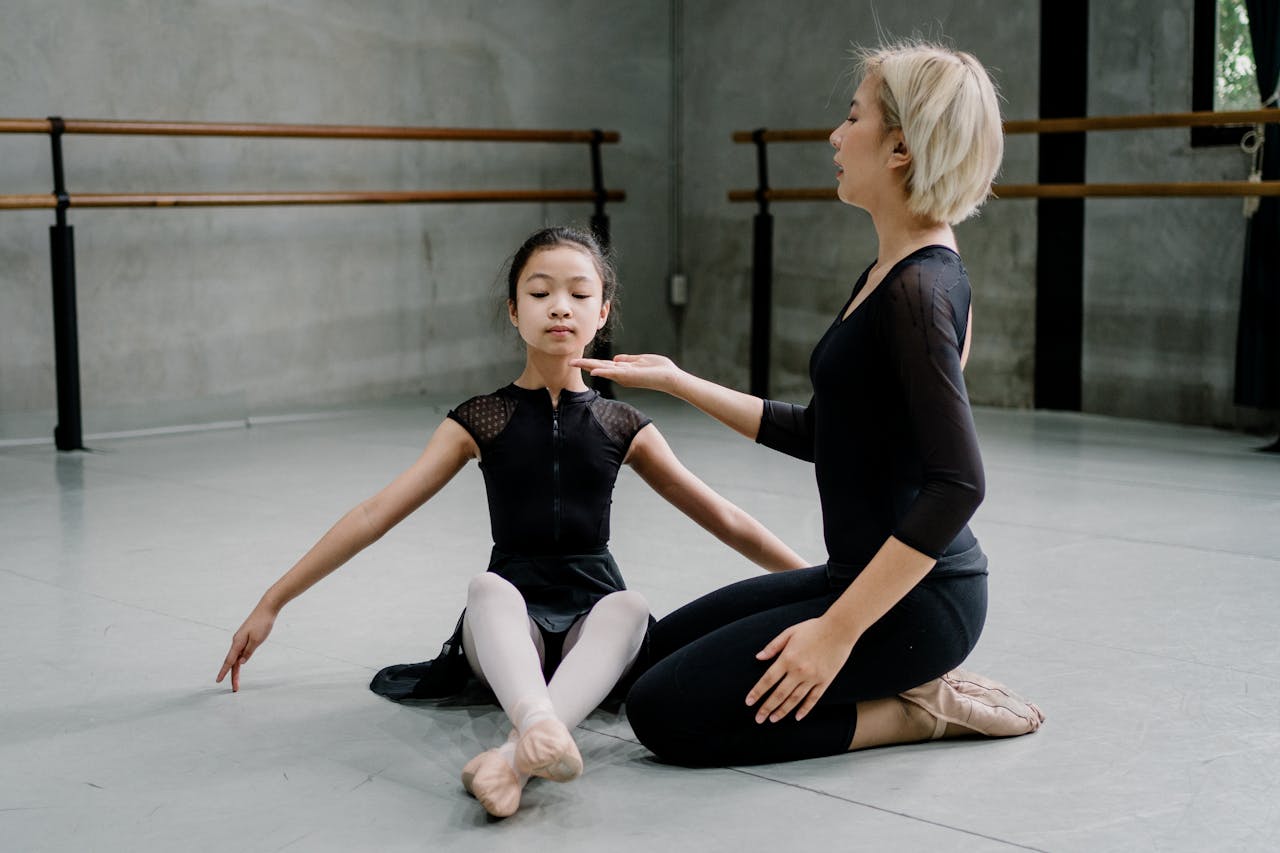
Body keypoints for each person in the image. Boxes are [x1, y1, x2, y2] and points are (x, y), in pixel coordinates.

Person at [216, 226, 807, 816]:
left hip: (594, 622)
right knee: (486, 590)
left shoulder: (622, 424)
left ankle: (512, 757)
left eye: (579, 294)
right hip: (507, 622)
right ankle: (539, 730)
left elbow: (727, 519)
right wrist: (274, 600)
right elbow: (376, 513)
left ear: (602, 312)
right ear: (513, 311)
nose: (559, 307)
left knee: (629, 607)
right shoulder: (481, 418)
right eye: (540, 292)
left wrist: (820, 584)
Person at [573, 41, 1043, 767]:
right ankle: (896, 677)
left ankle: (917, 711)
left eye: (851, 116)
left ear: (898, 146)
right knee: (639, 658)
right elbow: (824, 431)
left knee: (663, 713)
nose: (835, 134)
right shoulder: (890, 269)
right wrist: (679, 381)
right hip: (850, 575)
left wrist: (836, 632)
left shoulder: (921, 292)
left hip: (918, 604)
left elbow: (960, 482)